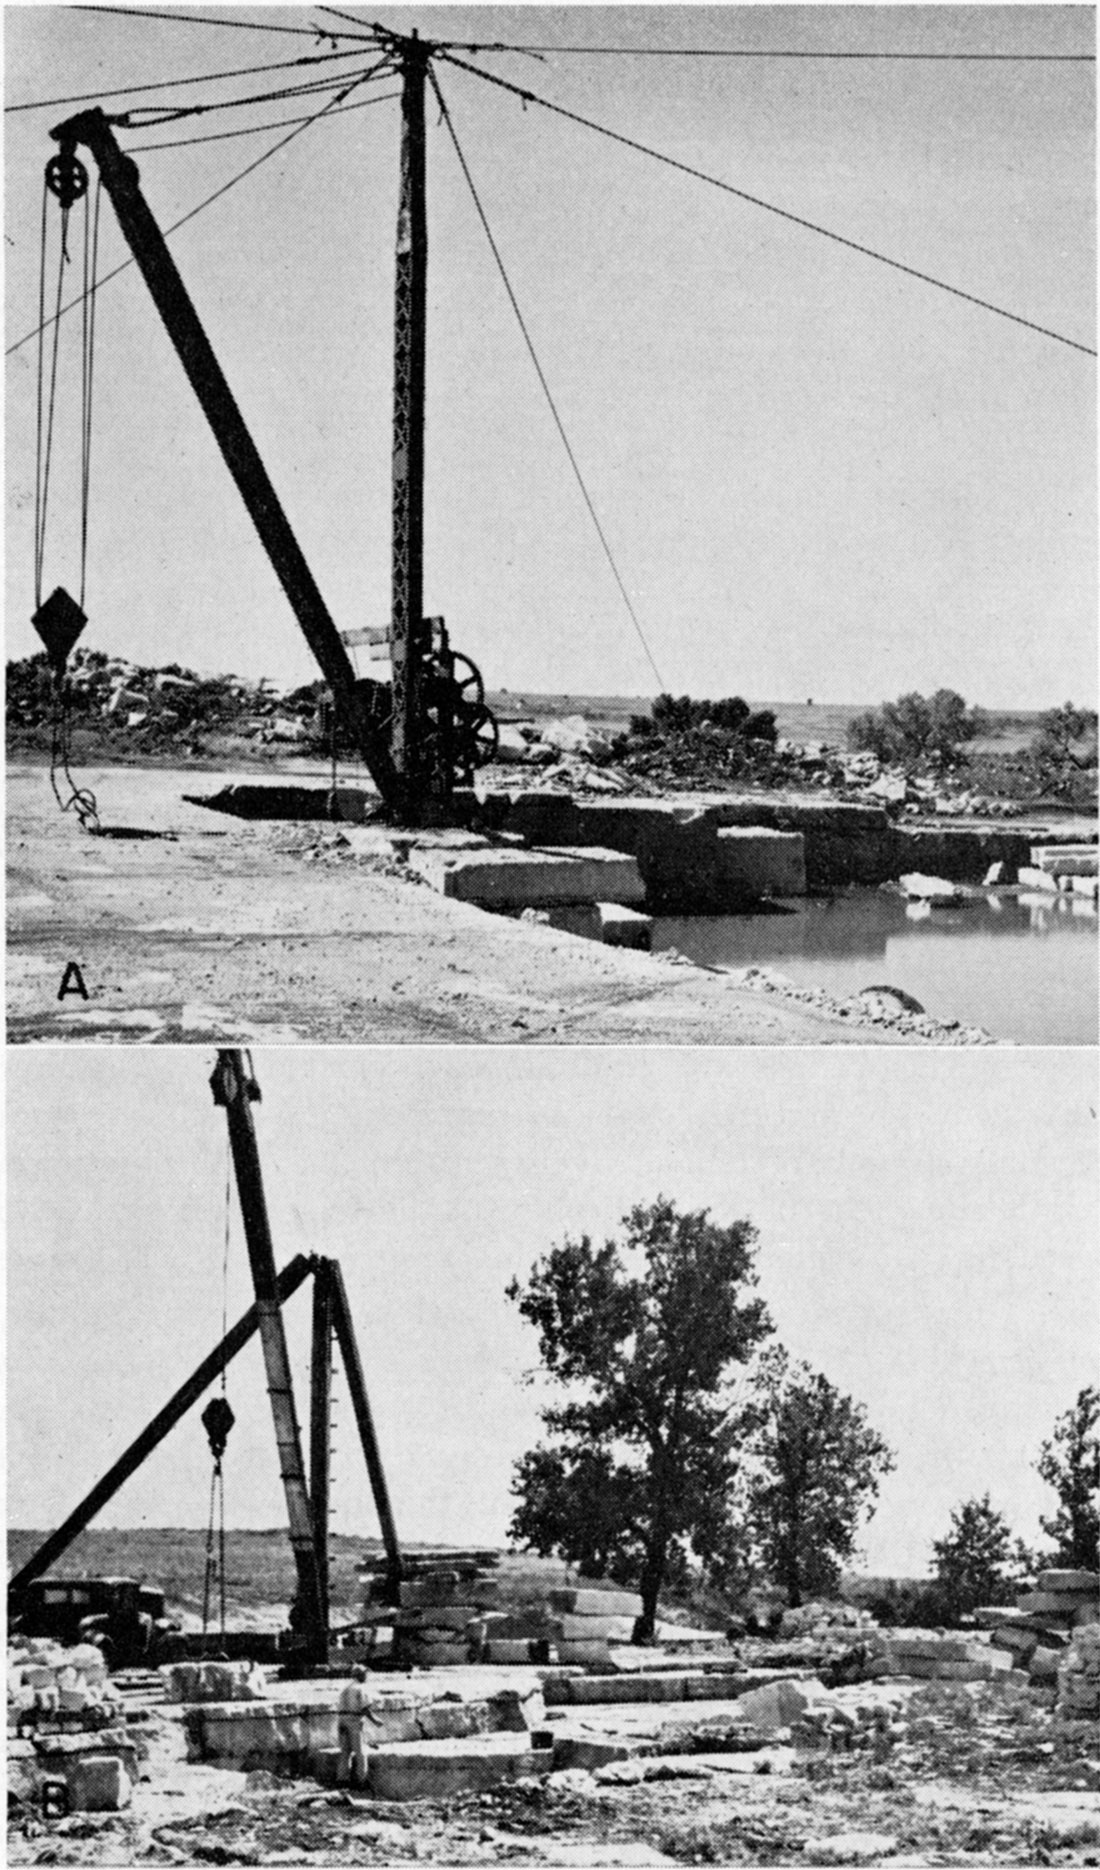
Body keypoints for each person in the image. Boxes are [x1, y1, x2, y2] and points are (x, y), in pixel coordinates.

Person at [337, 1664, 371, 1787]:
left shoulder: (345, 1688)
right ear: (361, 1675)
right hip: (354, 1721)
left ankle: (342, 1779)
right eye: (365, 1674)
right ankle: (361, 1780)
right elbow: (365, 1708)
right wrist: (376, 1721)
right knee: (360, 1752)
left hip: (341, 1720)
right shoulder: (360, 1688)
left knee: (345, 1752)